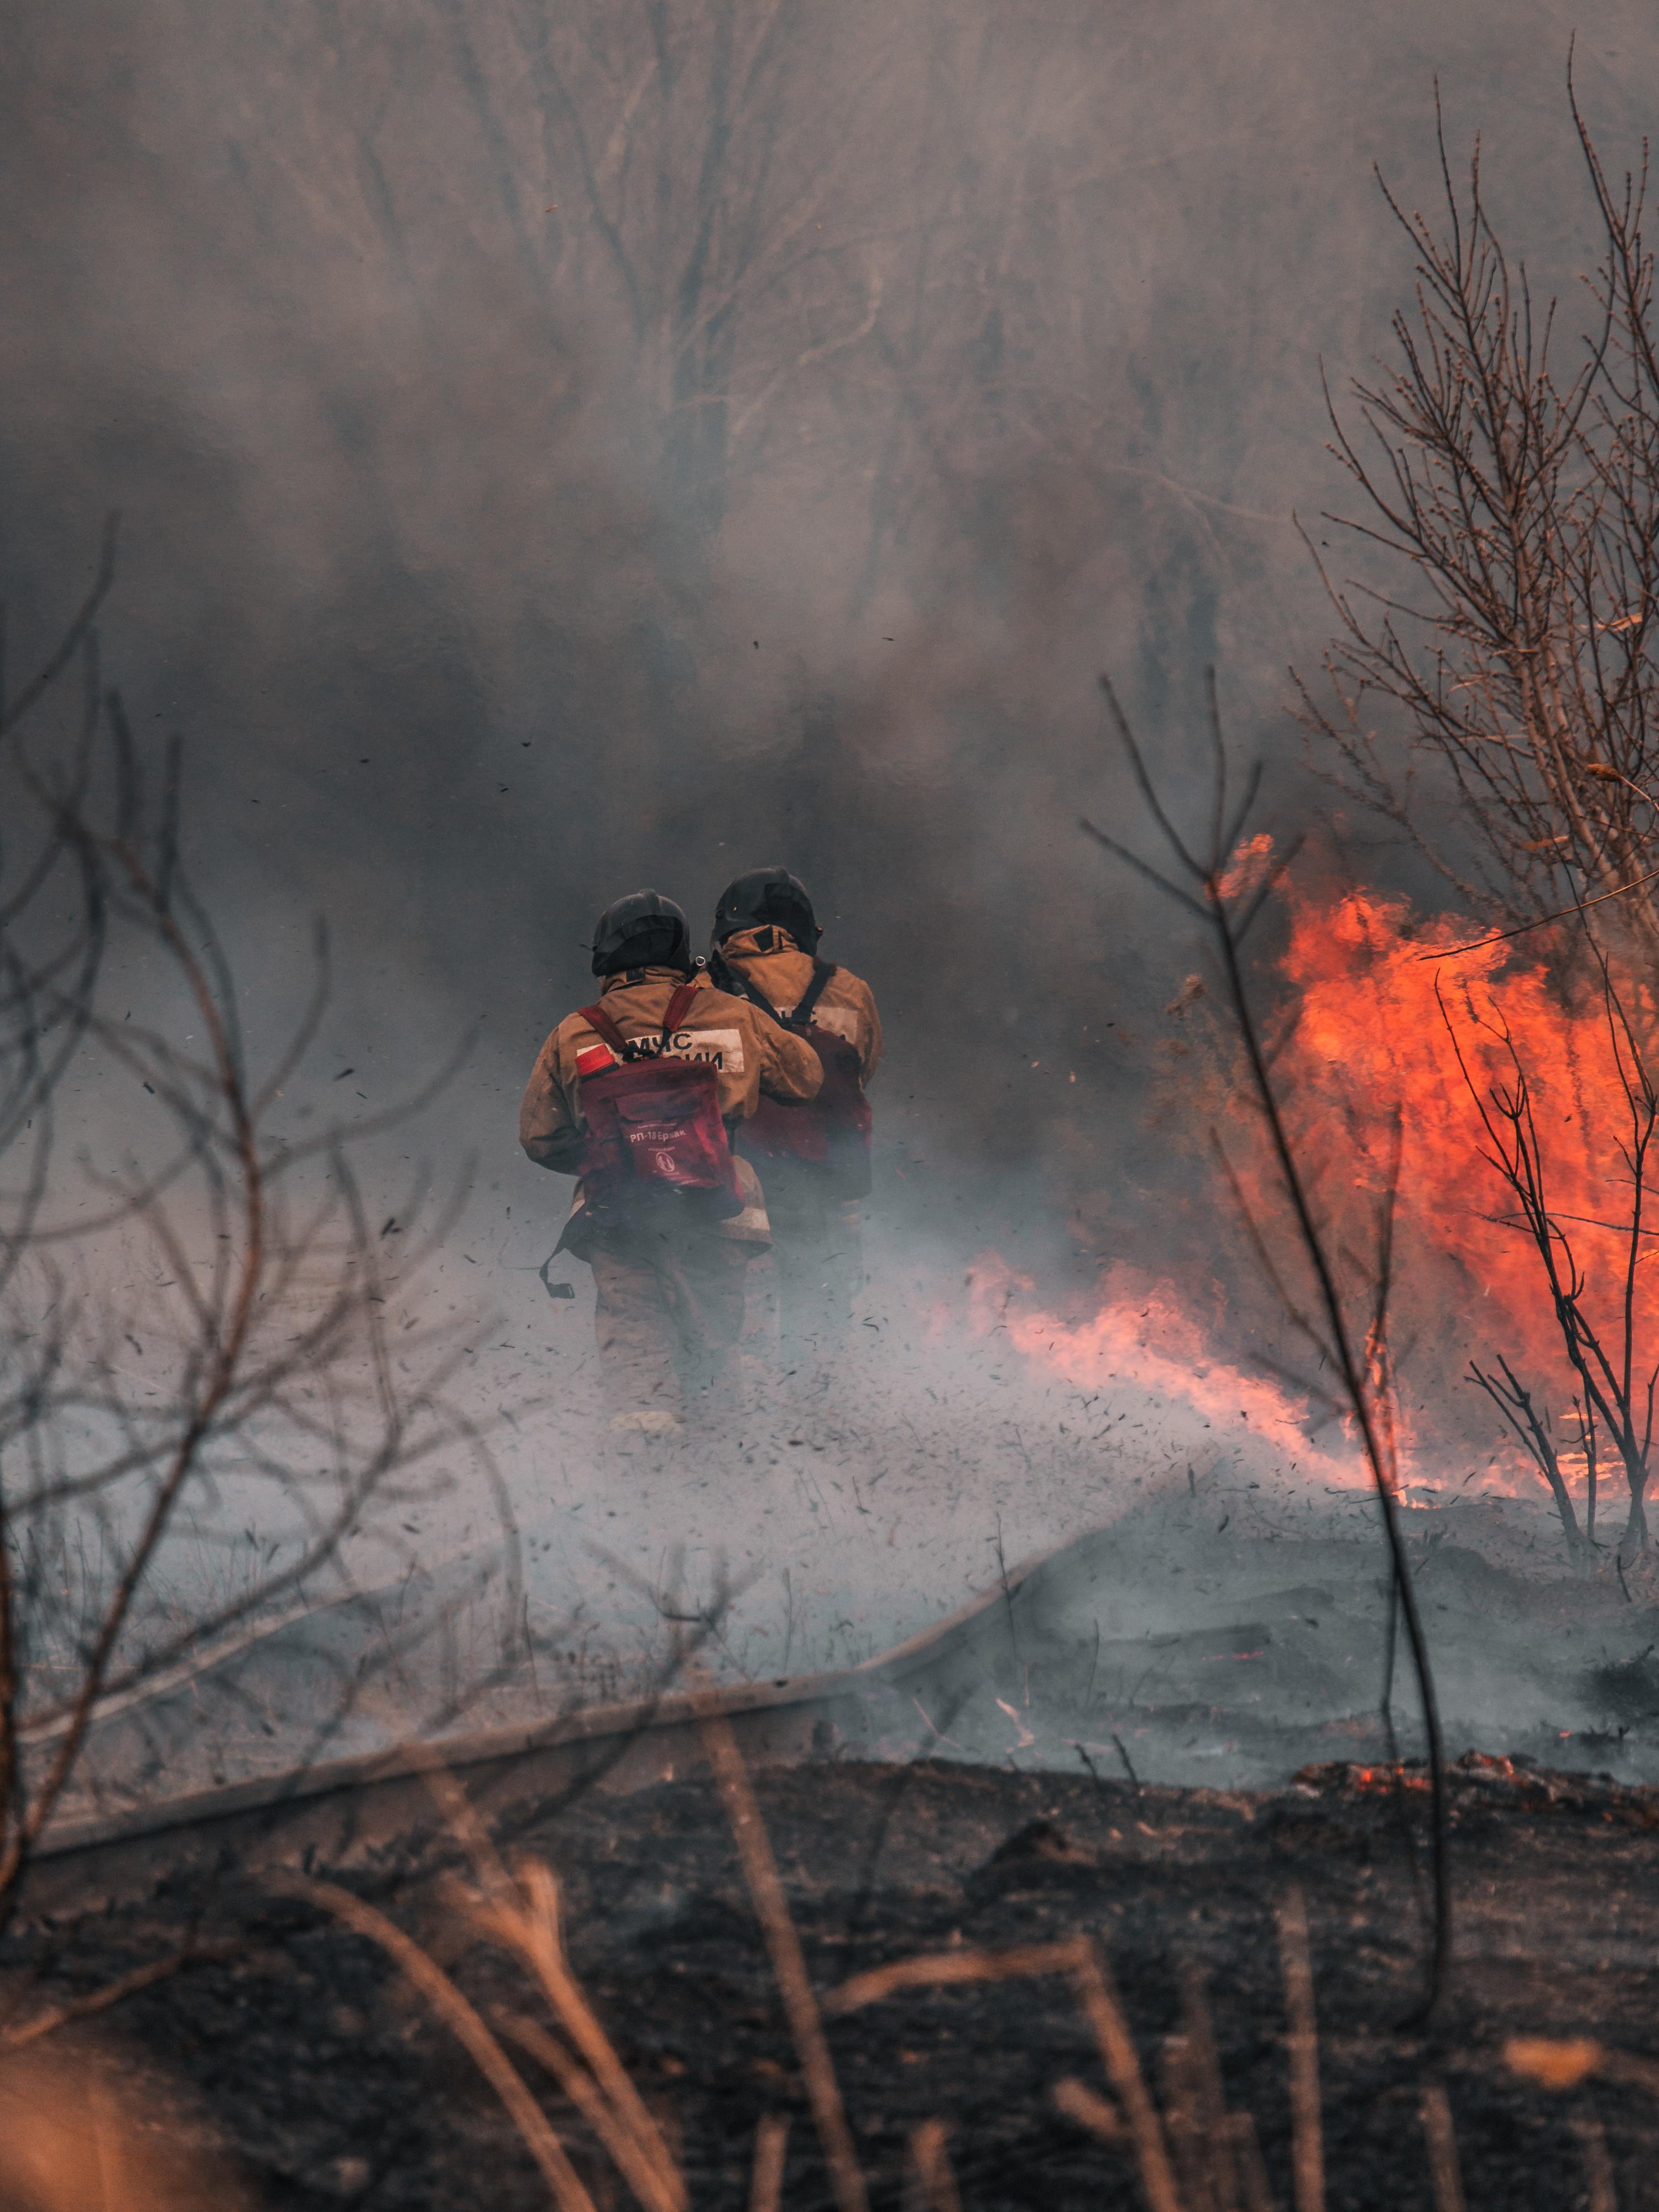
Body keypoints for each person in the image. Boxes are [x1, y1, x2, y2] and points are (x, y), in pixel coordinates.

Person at [519, 889, 822, 1437]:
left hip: (618, 1213)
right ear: (682, 954)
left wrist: (617, 1152)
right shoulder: (732, 1014)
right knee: (720, 1340)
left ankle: (647, 1477)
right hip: (723, 1208)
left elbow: (539, 1137)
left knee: (635, 1336)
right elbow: (806, 1078)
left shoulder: (575, 1032)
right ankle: (730, 1468)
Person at [707, 867, 882, 1372]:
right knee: (821, 1317)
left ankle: (743, 1434)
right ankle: (817, 1430)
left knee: (741, 1321)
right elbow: (862, 1073)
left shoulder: (699, 989)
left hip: (732, 1183)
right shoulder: (850, 992)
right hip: (823, 1181)